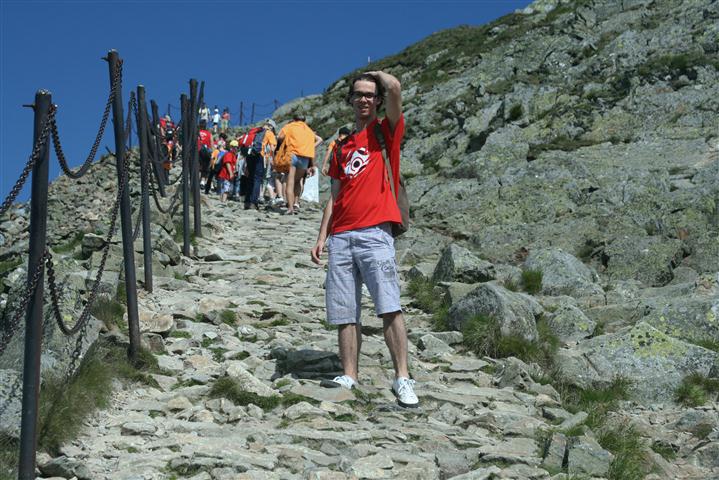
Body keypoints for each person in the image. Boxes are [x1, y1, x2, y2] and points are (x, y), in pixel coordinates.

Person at [310, 71, 418, 408]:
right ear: (351, 99)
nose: (364, 99)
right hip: (341, 236)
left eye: (370, 94)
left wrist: (374, 76)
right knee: (345, 311)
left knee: (389, 306)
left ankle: (402, 377)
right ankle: (349, 374)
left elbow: (396, 87)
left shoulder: (385, 132)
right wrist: (322, 236)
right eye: (358, 94)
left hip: (375, 232)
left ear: (378, 100)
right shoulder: (341, 146)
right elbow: (335, 196)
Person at [277, 113, 323, 215]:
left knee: (290, 181)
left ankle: (290, 208)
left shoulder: (290, 126)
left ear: (294, 119)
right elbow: (319, 140)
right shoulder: (309, 130)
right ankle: (296, 203)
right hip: (305, 158)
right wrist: (311, 148)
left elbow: (280, 137)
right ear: (304, 121)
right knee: (298, 181)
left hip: (292, 154)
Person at [197, 119, 213, 189]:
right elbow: (212, 145)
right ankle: (202, 182)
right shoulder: (209, 134)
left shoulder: (196, 132)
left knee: (197, 167)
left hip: (197, 151)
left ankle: (196, 181)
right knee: (205, 168)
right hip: (206, 152)